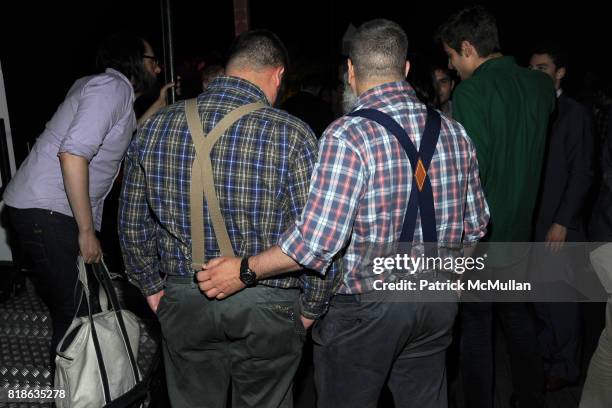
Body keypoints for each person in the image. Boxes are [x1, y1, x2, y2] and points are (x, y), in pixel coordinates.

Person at [197, 19, 489, 408]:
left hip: (366, 311)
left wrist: (244, 268)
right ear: (404, 70)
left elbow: (315, 244)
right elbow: (476, 227)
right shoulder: (454, 132)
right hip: (434, 299)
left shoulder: (347, 136)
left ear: (350, 71)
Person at [118, 30, 328, 407]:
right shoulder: (293, 135)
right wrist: (311, 309)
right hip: (268, 301)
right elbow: (317, 237)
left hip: (184, 295)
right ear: (277, 75)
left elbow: (132, 224)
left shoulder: (154, 127)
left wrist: (151, 288)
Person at [2, 32, 169, 367]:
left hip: (45, 209)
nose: (159, 69)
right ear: (134, 61)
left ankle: (89, 390)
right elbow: (73, 154)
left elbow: (122, 137)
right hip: (49, 211)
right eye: (153, 61)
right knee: (76, 312)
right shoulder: (112, 89)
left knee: (85, 304)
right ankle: (74, 394)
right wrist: (87, 231)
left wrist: (157, 105)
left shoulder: (103, 89)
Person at [437, 6, 556, 407]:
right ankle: (529, 398)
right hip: (521, 231)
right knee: (518, 319)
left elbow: (474, 169)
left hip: (483, 237)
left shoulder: (472, 92)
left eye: (452, 56)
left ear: (468, 48)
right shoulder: (540, 87)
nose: (451, 68)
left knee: (476, 330)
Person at [529, 44, 594, 391]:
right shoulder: (531, 110)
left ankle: (566, 369)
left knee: (562, 302)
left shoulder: (575, 113)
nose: (535, 74)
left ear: (560, 72)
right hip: (533, 223)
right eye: (532, 68)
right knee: (541, 301)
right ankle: (547, 362)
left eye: (542, 68)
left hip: (559, 226)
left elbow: (583, 172)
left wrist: (562, 221)